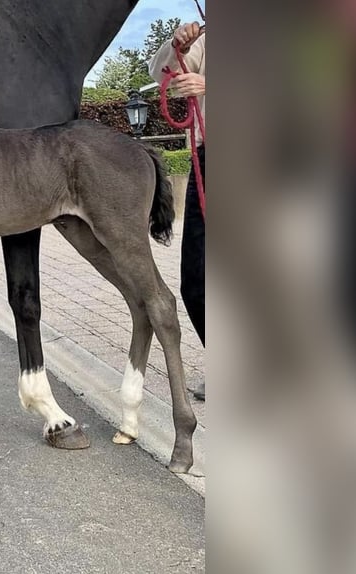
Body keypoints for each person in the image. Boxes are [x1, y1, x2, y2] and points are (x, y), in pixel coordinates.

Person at [149, 22, 206, 400]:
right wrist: (178, 47)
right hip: (210, 162)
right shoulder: (208, 39)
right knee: (196, 280)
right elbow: (160, 74)